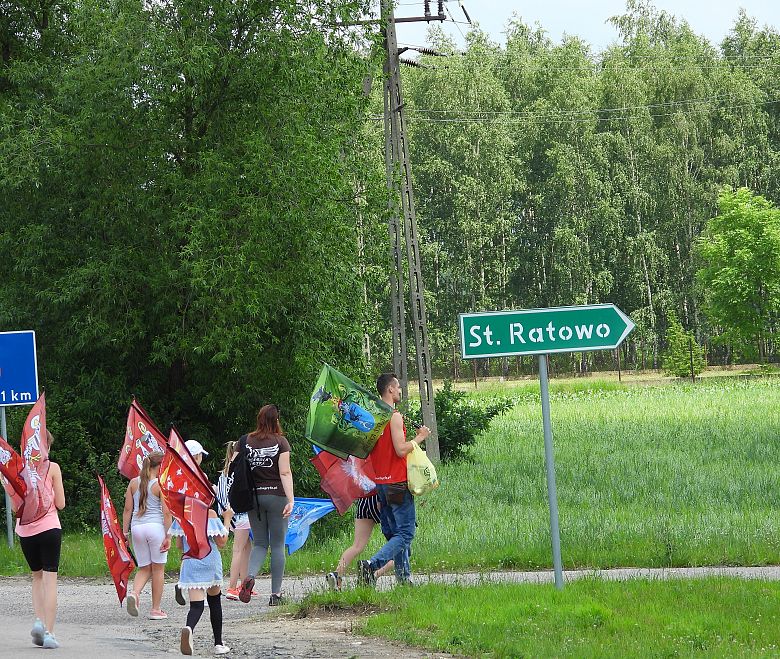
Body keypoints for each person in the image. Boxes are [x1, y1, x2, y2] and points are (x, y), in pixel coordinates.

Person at [357, 373, 429, 587]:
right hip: (397, 482)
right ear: (389, 389)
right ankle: (372, 565)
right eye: (398, 387)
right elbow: (400, 450)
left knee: (393, 534)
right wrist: (420, 437)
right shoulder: (393, 416)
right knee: (406, 533)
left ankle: (404, 580)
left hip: (380, 483)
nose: (400, 391)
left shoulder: (373, 417)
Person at [237, 404, 294, 606]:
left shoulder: (245, 441)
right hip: (277, 496)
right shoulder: (281, 442)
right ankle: (275, 595)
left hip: (253, 498)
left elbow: (236, 469)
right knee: (278, 545)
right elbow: (285, 473)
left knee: (260, 543)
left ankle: (250, 576)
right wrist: (291, 499)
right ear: (276, 420)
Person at [15, 429, 66, 649]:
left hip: (26, 532)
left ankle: (38, 620)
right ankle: (49, 632)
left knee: (36, 577)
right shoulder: (52, 468)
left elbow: (16, 506)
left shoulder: (18, 471)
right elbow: (61, 503)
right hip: (49, 528)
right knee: (50, 579)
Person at [174, 503, 231, 655]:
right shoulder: (210, 514)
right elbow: (222, 541)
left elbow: (179, 544)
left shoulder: (181, 513)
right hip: (210, 560)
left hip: (191, 562)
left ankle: (189, 628)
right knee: (214, 602)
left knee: (196, 606)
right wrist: (227, 519)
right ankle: (218, 644)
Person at [122, 451, 172, 620]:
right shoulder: (160, 485)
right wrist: (168, 536)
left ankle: (134, 594)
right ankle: (155, 609)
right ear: (159, 466)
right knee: (158, 569)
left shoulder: (133, 483)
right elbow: (166, 513)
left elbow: (128, 509)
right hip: (155, 527)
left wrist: (124, 532)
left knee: (144, 568)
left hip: (137, 528)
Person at [325, 492, 394, 591]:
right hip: (382, 499)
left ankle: (337, 574)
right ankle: (373, 575)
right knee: (399, 545)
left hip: (364, 501)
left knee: (357, 546)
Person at [214, 441, 253, 601]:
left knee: (246, 548)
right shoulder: (240, 471)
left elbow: (221, 496)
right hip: (241, 514)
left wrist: (225, 514)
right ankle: (231, 587)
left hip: (229, 515)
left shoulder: (223, 474)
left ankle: (244, 587)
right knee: (238, 550)